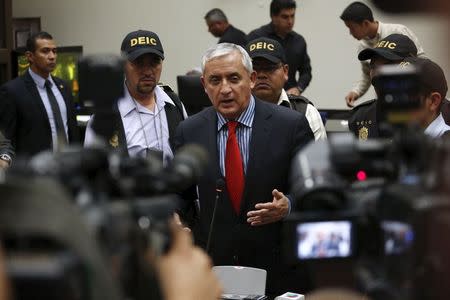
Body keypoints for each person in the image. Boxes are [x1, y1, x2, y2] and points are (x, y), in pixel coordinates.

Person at [174, 43, 314, 296]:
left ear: (250, 80)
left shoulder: (290, 125)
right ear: (204, 86)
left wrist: (288, 206)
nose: (225, 89)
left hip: (276, 267)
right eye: (215, 80)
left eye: (234, 78)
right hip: (214, 268)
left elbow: (312, 192)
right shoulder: (189, 131)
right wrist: (177, 219)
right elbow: (180, 195)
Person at [84, 30, 187, 164]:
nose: (148, 71)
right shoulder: (107, 115)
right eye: (139, 63)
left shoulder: (174, 104)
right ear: (123, 66)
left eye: (154, 62)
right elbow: (93, 171)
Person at [0, 31, 79, 157]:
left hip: (68, 167)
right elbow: (6, 138)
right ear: (30, 56)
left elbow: (73, 131)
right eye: (45, 51)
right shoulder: (12, 91)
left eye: (54, 51)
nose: (52, 56)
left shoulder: (64, 87)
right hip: (34, 171)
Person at [340, 1, 425, 107]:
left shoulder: (398, 30)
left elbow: (421, 60)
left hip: (410, 95)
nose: (350, 32)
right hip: (385, 100)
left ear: (365, 23)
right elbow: (367, 76)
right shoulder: (362, 46)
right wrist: (356, 92)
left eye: (351, 28)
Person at [246, 37, 327, 140]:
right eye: (254, 69)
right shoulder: (234, 111)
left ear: (285, 72)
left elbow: (317, 155)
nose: (261, 75)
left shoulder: (305, 112)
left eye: (270, 68)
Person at [348, 34, 418, 139]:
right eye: (374, 67)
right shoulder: (360, 117)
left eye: (388, 66)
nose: (377, 74)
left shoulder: (432, 113)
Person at [247, 0, 312, 96]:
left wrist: (298, 88)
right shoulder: (256, 37)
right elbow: (244, 68)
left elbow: (306, 72)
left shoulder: (299, 41)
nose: (290, 21)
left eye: (292, 16)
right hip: (260, 96)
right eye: (285, 17)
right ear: (273, 17)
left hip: (289, 97)